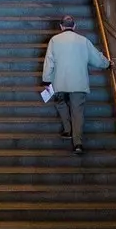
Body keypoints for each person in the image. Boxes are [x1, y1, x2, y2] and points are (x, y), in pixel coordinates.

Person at [41, 15, 110, 156]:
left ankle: (67, 130)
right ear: (74, 26)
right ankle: (78, 143)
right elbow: (96, 58)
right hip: (78, 82)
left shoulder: (54, 40)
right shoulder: (83, 41)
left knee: (60, 103)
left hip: (59, 81)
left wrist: (46, 79)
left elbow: (49, 61)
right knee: (77, 112)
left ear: (61, 26)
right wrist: (108, 64)